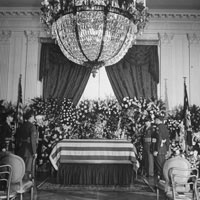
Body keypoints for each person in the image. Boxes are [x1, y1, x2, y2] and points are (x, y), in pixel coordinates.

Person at [16, 109, 38, 180]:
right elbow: (33, 140)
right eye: (33, 116)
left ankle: (20, 184)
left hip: (21, 149)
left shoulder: (22, 125)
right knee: (27, 170)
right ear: (31, 117)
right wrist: (34, 152)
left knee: (21, 168)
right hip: (29, 150)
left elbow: (18, 137)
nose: (34, 118)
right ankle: (25, 186)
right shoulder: (32, 127)